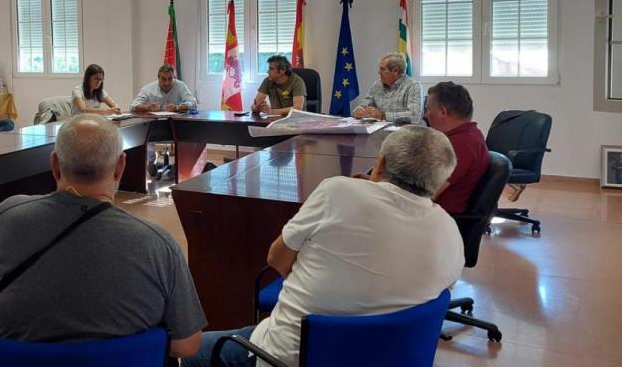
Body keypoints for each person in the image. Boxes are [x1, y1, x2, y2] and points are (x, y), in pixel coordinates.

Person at [185, 126, 463, 367]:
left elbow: (276, 258)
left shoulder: (338, 191)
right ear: (439, 182)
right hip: (384, 357)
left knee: (185, 352)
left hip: (289, 357)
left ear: (380, 164)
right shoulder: (450, 231)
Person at [0, 114, 206, 359]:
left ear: (54, 165)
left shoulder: (7, 216)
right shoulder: (158, 243)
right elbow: (186, 346)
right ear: (120, 166)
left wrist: (9, 331)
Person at [424, 82, 490, 214]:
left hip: (438, 217)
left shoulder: (461, 145)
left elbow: (426, 196)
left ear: (442, 111)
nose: (426, 115)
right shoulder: (466, 136)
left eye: (428, 109)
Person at [352, 53, 422, 123]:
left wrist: (383, 115)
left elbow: (414, 116)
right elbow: (364, 105)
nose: (379, 72)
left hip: (403, 129)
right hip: (378, 127)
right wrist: (359, 110)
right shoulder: (377, 85)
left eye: (382, 69)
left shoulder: (413, 86)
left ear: (395, 71)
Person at [130, 64, 198, 112]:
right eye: (163, 79)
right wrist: (148, 107)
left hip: (177, 122)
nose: (167, 83)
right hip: (154, 124)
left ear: (173, 77)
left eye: (170, 79)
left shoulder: (181, 86)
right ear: (158, 78)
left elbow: (193, 102)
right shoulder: (148, 89)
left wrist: (177, 107)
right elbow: (133, 105)